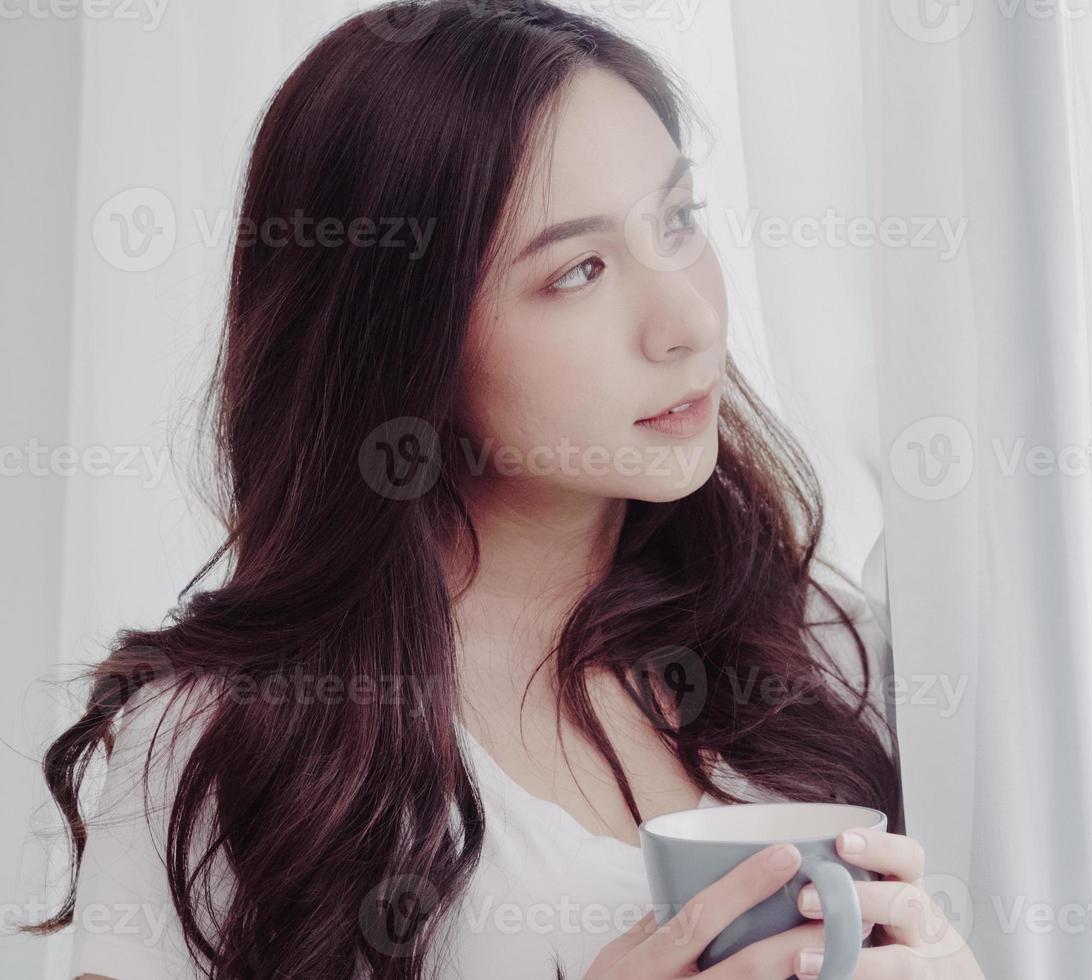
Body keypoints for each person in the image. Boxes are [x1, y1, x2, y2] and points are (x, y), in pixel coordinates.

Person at [24, 2, 985, 977]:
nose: (686, 320)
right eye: (579, 270)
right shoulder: (218, 747)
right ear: (404, 333)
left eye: (679, 221)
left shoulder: (823, 652)